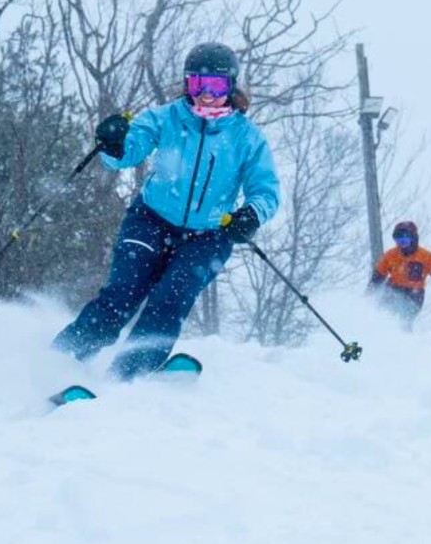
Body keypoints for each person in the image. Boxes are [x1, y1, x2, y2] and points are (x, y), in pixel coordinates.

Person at [52, 42, 281, 380]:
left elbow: (266, 191)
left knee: (170, 300)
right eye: (196, 84)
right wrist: (114, 142)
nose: (205, 94)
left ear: (230, 86)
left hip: (208, 236)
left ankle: (130, 374)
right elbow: (128, 152)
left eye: (215, 86)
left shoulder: (247, 138)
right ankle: (62, 361)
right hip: (151, 222)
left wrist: (252, 214)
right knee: (121, 294)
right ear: (187, 84)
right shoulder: (165, 118)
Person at [367, 221, 431, 328]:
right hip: (393, 289)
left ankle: (403, 337)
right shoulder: (391, 255)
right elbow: (379, 275)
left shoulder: (425, 257)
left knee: (404, 319)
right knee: (383, 315)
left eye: (405, 239)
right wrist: (369, 292)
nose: (401, 244)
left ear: (413, 238)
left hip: (414, 295)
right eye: (398, 240)